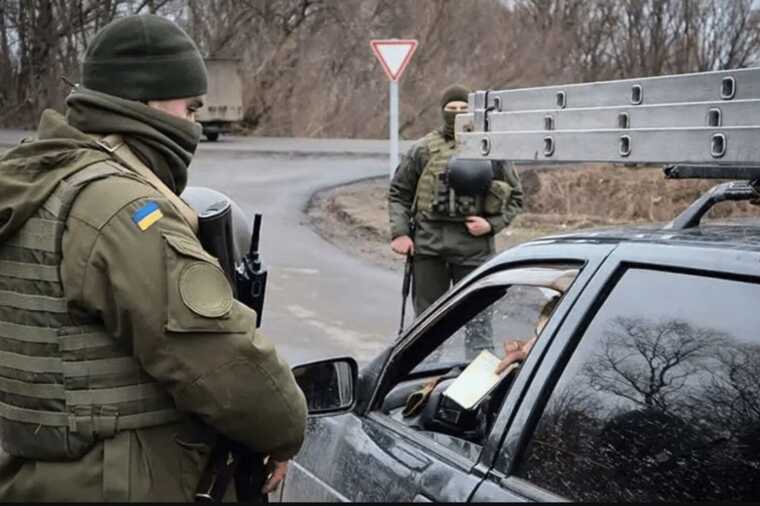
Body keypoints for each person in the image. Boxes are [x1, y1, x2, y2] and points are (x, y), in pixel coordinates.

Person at [0, 14, 306, 502]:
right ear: (146, 102)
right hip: (116, 482)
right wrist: (284, 429)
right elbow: (217, 356)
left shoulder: (40, 183)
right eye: (189, 106)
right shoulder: (121, 209)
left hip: (36, 476)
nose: (194, 123)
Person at [388, 84, 524, 357]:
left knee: (479, 322)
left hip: (474, 249)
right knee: (427, 324)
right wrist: (400, 233)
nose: (458, 114)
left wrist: (492, 224)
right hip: (429, 248)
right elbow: (399, 193)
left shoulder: (489, 148)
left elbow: (516, 197)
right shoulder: (423, 149)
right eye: (452, 109)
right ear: (442, 111)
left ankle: (477, 384)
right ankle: (423, 382)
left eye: (463, 109)